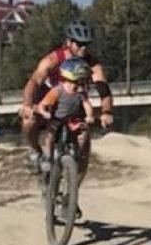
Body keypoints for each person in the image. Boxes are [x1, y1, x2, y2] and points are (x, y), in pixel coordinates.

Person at [19, 19, 114, 174]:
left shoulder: (92, 63)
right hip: (50, 102)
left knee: (84, 146)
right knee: (28, 122)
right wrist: (27, 104)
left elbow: (104, 89)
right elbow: (35, 81)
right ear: (69, 42)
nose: (83, 48)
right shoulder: (54, 59)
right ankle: (36, 152)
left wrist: (106, 112)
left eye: (86, 44)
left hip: (75, 105)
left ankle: (72, 190)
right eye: (79, 44)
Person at [35, 58, 95, 174]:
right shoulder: (58, 90)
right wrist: (44, 112)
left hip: (73, 120)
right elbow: (43, 104)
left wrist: (89, 116)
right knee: (51, 133)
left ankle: (77, 155)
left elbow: (87, 105)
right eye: (82, 79)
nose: (83, 82)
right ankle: (48, 156)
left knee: (84, 132)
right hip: (57, 119)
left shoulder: (81, 93)